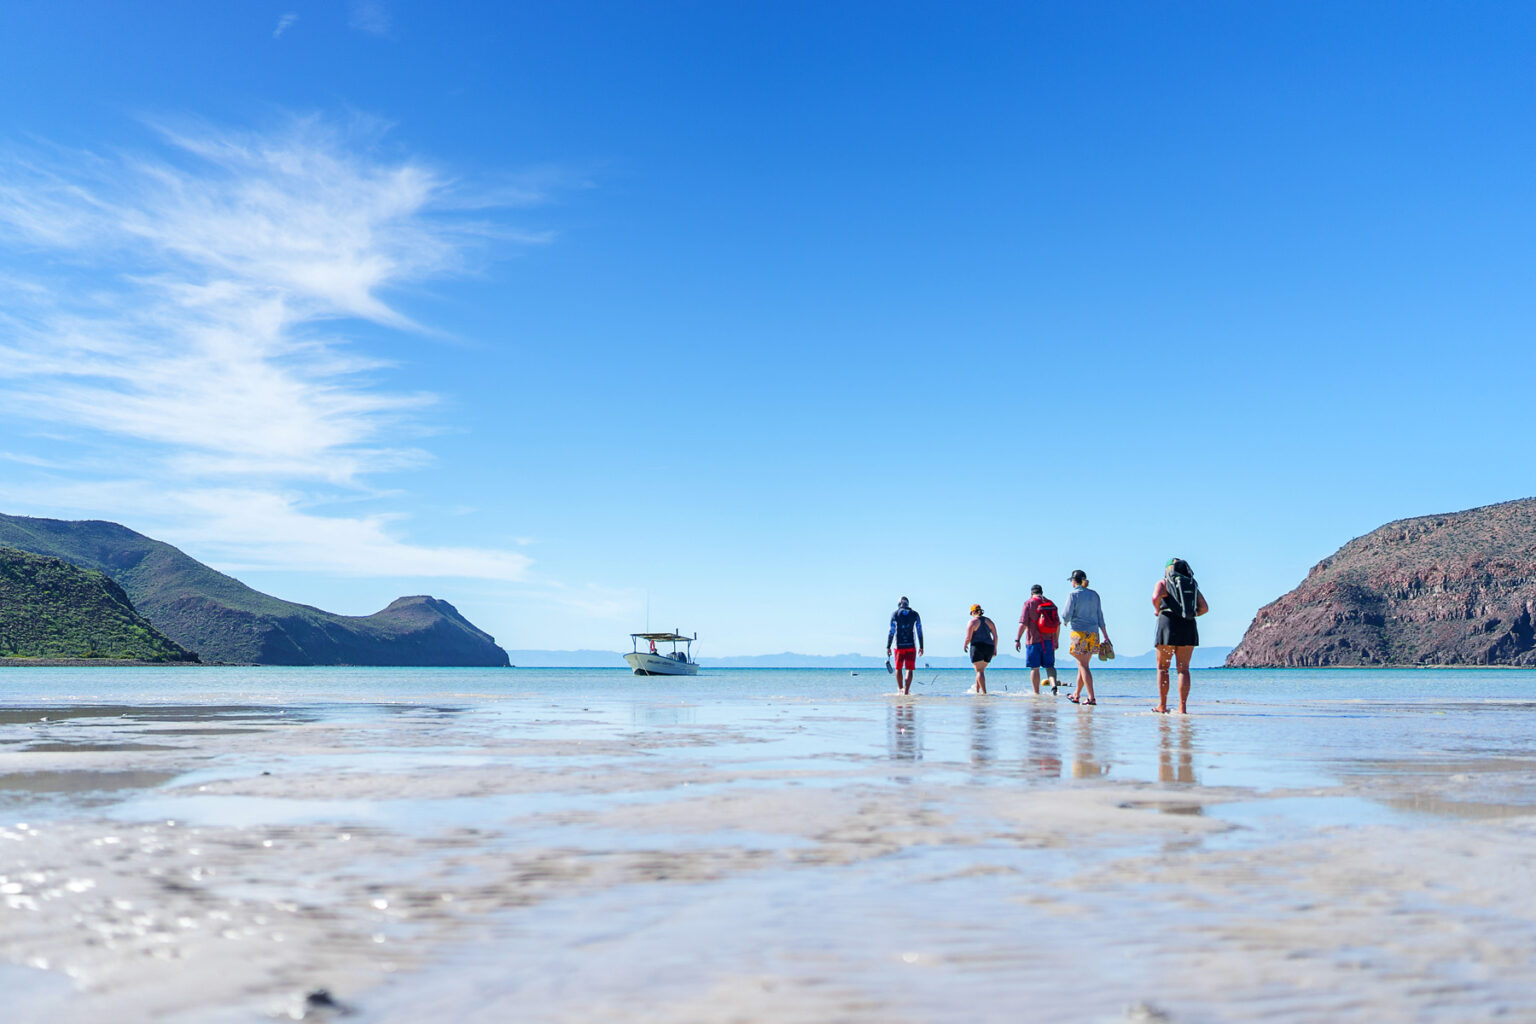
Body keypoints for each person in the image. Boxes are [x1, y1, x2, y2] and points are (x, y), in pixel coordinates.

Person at [1152, 558, 1208, 714]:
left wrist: (1157, 610)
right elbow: (1204, 608)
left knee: (1163, 668)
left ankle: (1162, 706)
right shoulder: (1191, 584)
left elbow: (1155, 597)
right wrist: (1189, 614)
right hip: (1188, 625)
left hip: (1167, 624)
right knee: (1183, 669)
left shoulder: (1163, 583)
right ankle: (1182, 708)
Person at [1060, 569, 1110, 706]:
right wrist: (1105, 635)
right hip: (1093, 633)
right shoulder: (1094, 595)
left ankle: (1091, 697)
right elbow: (1100, 616)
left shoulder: (1073, 594)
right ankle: (1076, 695)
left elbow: (1066, 615)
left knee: (1083, 665)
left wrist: (1065, 621)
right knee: (1083, 665)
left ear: (1074, 581)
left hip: (1079, 633)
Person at [1014, 584, 1061, 695]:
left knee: (1035, 668)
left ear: (1031, 593)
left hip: (1033, 641)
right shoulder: (1051, 603)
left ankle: (1036, 693)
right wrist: (1056, 639)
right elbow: (1057, 624)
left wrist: (1017, 639)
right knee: (1050, 666)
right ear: (1041, 592)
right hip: (1049, 640)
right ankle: (1054, 685)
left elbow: (1023, 624)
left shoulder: (1028, 603)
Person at [886, 596, 924, 695]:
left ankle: (900, 690)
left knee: (898, 668)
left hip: (898, 645)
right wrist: (921, 646)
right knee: (909, 669)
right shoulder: (915, 614)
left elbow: (891, 631)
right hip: (911, 645)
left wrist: (888, 646)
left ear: (899, 604)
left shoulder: (895, 614)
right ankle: (906, 691)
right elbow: (919, 630)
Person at [963, 604, 998, 694]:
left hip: (977, 647)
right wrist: (995, 648)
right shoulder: (989, 621)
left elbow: (968, 637)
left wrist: (965, 645)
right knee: (980, 671)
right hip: (989, 647)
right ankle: (977, 691)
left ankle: (984, 693)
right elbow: (995, 636)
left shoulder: (972, 622)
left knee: (979, 671)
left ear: (973, 612)